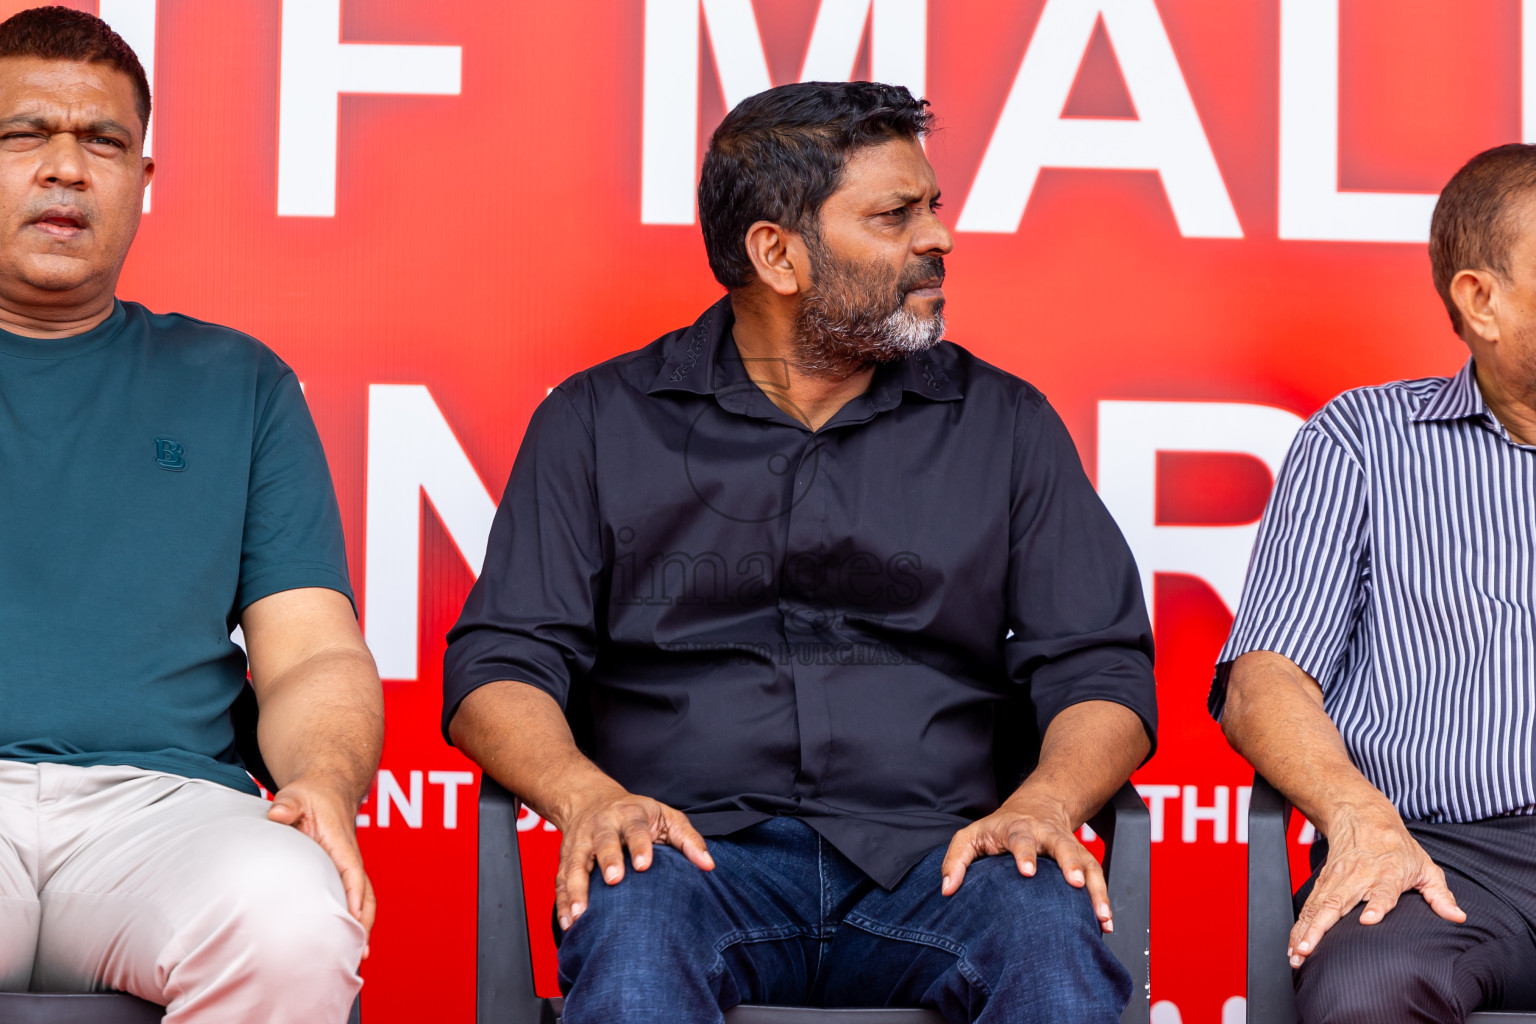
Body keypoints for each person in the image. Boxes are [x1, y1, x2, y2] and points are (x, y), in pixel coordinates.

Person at [444, 81, 1156, 1024]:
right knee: (638, 943)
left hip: (945, 863)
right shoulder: (597, 422)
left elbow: (1099, 665)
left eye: (932, 207)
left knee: (1051, 945)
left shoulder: (1006, 424)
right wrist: (584, 796)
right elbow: (500, 662)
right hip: (692, 859)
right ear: (776, 253)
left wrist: (1048, 801)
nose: (938, 237)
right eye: (896, 216)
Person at [0, 8, 382, 1022]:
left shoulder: (237, 382)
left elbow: (310, 653)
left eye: (104, 143)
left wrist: (326, 784)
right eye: (23, 135)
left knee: (296, 921)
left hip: (159, 811)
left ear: (142, 182)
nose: (66, 169)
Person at [1214, 143, 1536, 1023]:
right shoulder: (1364, 443)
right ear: (1481, 301)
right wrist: (1360, 819)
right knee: (1367, 992)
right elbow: (1264, 681)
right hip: (1443, 859)